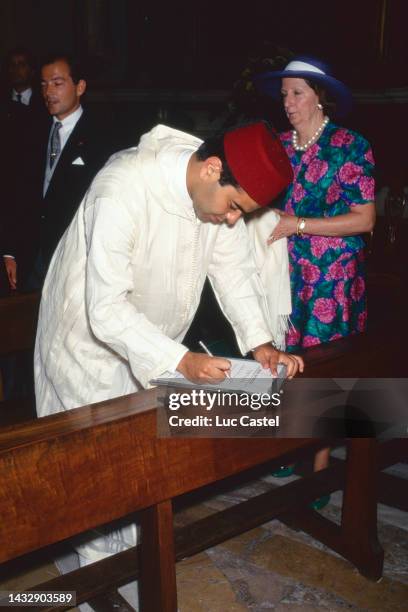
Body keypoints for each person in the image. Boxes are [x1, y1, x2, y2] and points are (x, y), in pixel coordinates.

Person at [35, 121, 304, 582]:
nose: (235, 219)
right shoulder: (122, 187)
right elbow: (105, 308)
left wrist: (260, 341)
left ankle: (119, 565)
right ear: (211, 169)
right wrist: (180, 360)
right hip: (85, 346)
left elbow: (232, 269)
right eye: (235, 206)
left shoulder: (212, 195)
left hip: (150, 344)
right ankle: (104, 581)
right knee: (98, 474)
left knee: (136, 465)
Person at [256, 56, 375, 486]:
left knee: (323, 373)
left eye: (297, 93)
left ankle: (320, 471)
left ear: (320, 98)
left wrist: (299, 225)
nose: (287, 102)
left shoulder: (349, 144)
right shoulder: (280, 147)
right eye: (284, 93)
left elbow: (364, 219)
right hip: (285, 273)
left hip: (332, 278)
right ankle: (288, 449)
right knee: (287, 365)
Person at [3, 52, 118, 291]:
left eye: (57, 83)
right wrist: (10, 251)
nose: (48, 92)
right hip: (32, 256)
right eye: (44, 85)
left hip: (75, 260)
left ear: (80, 87)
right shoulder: (31, 129)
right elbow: (16, 190)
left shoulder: (102, 137)